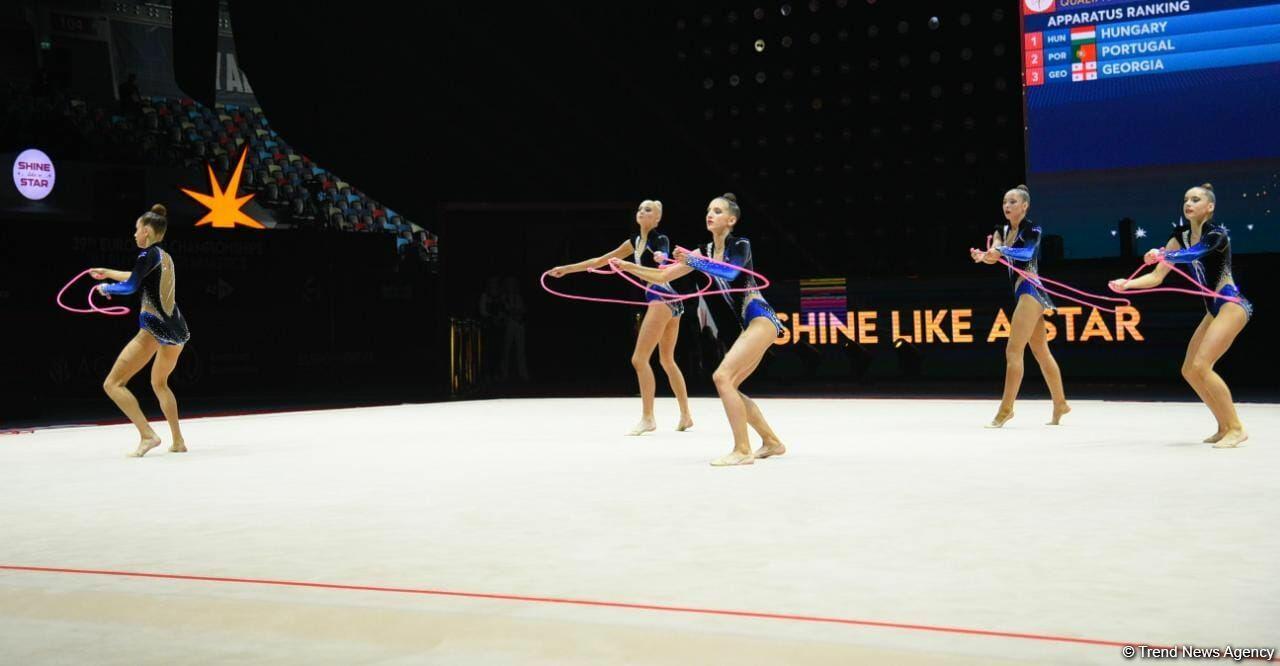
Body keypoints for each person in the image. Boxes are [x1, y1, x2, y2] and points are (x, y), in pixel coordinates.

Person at [613, 193, 784, 466]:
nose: (710, 215)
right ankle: (772, 442)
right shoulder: (701, 252)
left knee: (722, 377)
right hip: (748, 323)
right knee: (731, 386)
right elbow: (662, 275)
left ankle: (742, 450)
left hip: (760, 318)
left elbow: (730, 272)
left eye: (717, 211)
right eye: (708, 210)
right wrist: (628, 266)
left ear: (731, 220)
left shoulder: (740, 244)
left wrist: (692, 261)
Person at [1110, 183, 1250, 448]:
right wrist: (1127, 284)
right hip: (1213, 310)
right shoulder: (1180, 237)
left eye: (1196, 199)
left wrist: (1163, 253)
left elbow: (1196, 253)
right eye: (1186, 199)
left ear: (1210, 207)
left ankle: (1236, 427)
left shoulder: (1217, 235)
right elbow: (1156, 276)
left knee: (1202, 366)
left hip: (1231, 304)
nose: (1188, 203)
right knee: (1190, 370)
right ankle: (1223, 426)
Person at [548, 200, 693, 435]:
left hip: (661, 296)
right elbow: (600, 261)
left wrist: (661, 257)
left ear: (657, 218)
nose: (642, 212)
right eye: (640, 209)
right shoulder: (633, 242)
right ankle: (686, 415)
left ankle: (648, 418)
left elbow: (663, 259)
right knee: (667, 360)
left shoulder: (660, 239)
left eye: (648, 210)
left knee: (639, 359)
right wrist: (567, 269)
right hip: (672, 301)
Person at [91, 204, 191, 457]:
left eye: (136, 229)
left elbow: (131, 286)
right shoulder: (164, 257)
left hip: (154, 326)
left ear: (146, 230)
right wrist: (107, 273)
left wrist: (107, 288)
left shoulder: (147, 254)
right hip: (177, 328)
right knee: (159, 383)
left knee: (113, 384)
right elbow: (137, 276)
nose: (134, 234)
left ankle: (148, 435)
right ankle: (178, 441)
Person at [971, 185, 1070, 428]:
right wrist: (983, 256)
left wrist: (1000, 249)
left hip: (1030, 289)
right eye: (1005, 202)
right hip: (1020, 292)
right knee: (1041, 351)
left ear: (1025, 206)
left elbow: (1026, 253)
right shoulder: (1001, 229)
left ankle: (1006, 409)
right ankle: (1060, 403)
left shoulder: (1032, 229)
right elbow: (994, 255)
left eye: (1013, 202)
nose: (1007, 206)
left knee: (1013, 351)